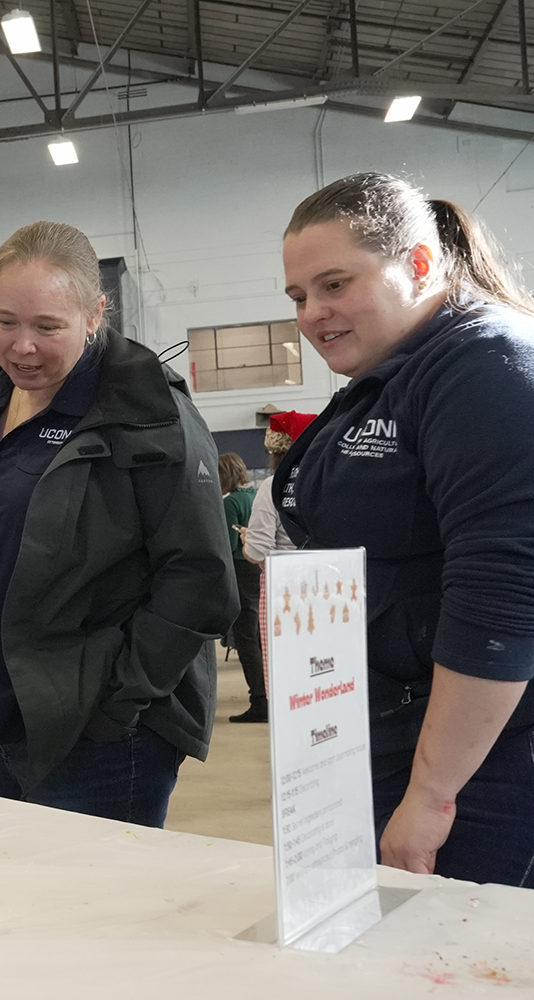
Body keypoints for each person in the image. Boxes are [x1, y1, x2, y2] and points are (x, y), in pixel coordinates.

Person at [0, 221, 237, 828]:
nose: (22, 347)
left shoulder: (150, 414)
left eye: (48, 327)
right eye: (5, 321)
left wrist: (118, 701)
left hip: (98, 735)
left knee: (92, 916)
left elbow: (199, 579)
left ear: (95, 314)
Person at [276, 172, 534, 885]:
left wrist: (431, 794)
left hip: (486, 763)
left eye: (335, 285)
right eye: (299, 296)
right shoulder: (393, 374)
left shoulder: (486, 365)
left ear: (419, 264)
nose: (313, 312)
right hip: (393, 732)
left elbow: (501, 599)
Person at [219, 453, 266, 723]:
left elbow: (226, 547)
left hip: (239, 571)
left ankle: (259, 701)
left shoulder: (230, 503)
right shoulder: (254, 497)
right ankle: (268, 694)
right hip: (258, 571)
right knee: (260, 638)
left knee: (246, 641)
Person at [242, 411, 313, 565]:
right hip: (330, 574)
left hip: (287, 578)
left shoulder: (272, 486)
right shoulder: (325, 484)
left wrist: (247, 542)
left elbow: (258, 552)